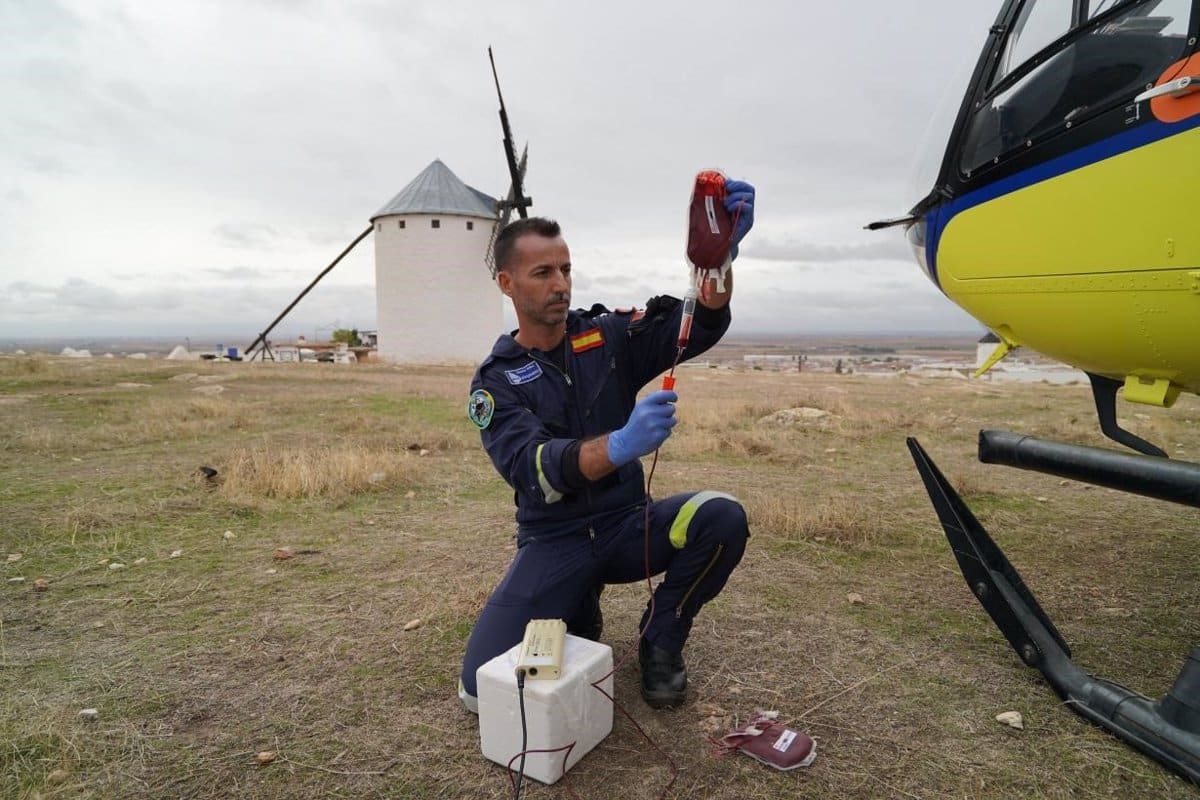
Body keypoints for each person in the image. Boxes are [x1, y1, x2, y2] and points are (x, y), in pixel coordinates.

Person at [459, 180, 755, 712]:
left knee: (721, 516)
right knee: (481, 689)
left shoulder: (606, 336)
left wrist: (718, 262)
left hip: (627, 528)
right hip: (555, 540)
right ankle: (578, 603)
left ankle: (661, 638)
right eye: (543, 273)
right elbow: (535, 470)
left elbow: (699, 324)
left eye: (566, 270)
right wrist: (620, 444)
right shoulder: (496, 382)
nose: (561, 285)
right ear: (506, 282)